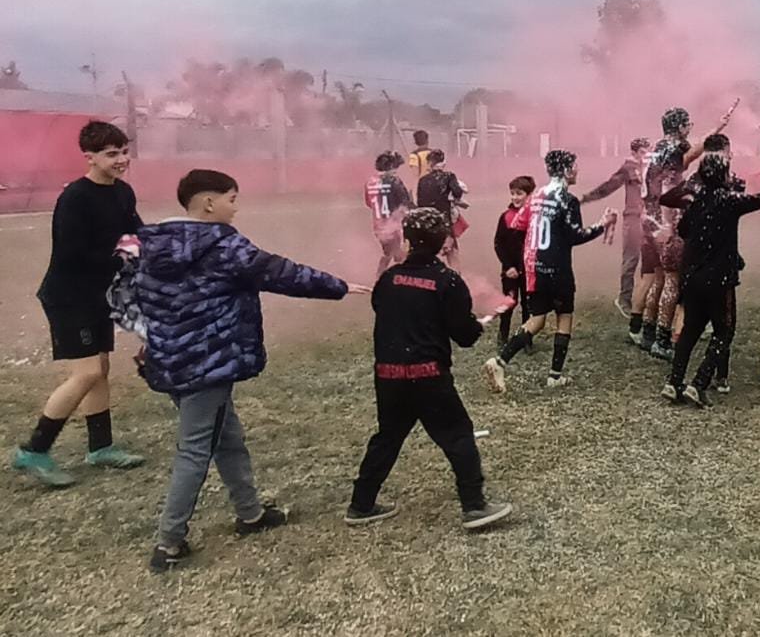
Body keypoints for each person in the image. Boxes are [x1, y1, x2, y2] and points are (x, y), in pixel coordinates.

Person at [134, 169, 361, 573]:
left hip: (170, 358)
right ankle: (169, 541)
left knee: (228, 437)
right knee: (195, 447)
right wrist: (338, 286)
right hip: (208, 364)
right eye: (232, 199)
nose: (236, 208)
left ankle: (250, 513)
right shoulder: (221, 244)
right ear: (208, 203)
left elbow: (145, 301)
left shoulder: (155, 243)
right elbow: (279, 272)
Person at [347, 207, 512, 532]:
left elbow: (384, 308)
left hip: (389, 374)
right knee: (458, 435)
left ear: (406, 240)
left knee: (388, 437)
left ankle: (360, 503)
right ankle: (474, 506)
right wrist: (477, 325)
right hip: (428, 376)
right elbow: (463, 337)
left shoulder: (389, 278)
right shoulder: (448, 280)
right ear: (443, 244)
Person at [13, 121, 146, 488]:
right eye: (111, 154)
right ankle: (33, 449)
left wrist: (153, 248)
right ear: (89, 157)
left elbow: (136, 231)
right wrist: (122, 257)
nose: (121, 160)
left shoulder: (122, 193)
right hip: (69, 296)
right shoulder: (75, 198)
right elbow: (73, 254)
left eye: (123, 152)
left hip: (97, 295)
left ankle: (101, 447)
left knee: (101, 368)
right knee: (86, 373)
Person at [483, 151, 617, 391]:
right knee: (564, 317)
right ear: (565, 170)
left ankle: (500, 361)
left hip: (534, 266)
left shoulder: (535, 197)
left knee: (537, 319)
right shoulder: (567, 199)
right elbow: (576, 236)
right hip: (557, 266)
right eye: (574, 166)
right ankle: (555, 376)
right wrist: (602, 224)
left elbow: (516, 223)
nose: (577, 170)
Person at [661, 154, 760, 407]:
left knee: (690, 328)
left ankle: (674, 381)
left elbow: (683, 230)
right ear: (724, 175)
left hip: (691, 275)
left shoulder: (696, 200)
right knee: (724, 331)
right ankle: (699, 383)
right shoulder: (729, 201)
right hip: (718, 278)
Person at [639, 105, 735, 359]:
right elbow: (690, 156)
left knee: (659, 278)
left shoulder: (656, 149)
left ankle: (646, 331)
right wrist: (671, 226)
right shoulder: (673, 151)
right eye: (687, 124)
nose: (690, 127)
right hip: (663, 223)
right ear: (679, 126)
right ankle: (662, 339)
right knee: (672, 279)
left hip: (647, 219)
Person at [581, 137, 651, 321]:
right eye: (643, 152)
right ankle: (624, 298)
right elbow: (609, 186)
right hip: (632, 217)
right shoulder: (629, 168)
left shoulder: (652, 167)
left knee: (651, 260)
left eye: (648, 151)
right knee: (631, 259)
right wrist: (587, 197)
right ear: (634, 152)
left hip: (650, 218)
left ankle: (645, 299)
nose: (646, 155)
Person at [493, 176, 535, 346]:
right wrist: (508, 266)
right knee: (509, 303)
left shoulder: (534, 217)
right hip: (509, 272)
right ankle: (503, 336)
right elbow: (499, 244)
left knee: (528, 306)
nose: (515, 197)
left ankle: (526, 339)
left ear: (529, 195)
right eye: (512, 194)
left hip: (528, 270)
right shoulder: (506, 217)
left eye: (520, 193)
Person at [364, 151, 414, 277]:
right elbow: (404, 203)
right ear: (392, 166)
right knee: (400, 254)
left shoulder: (370, 181)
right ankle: (402, 279)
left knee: (389, 253)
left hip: (378, 224)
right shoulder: (394, 181)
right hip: (394, 224)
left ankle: (380, 277)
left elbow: (369, 202)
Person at [415, 149, 467, 264]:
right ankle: (455, 278)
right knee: (452, 252)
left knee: (429, 253)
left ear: (429, 163)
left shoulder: (422, 180)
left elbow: (420, 202)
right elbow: (457, 193)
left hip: (427, 222)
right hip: (443, 221)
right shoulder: (448, 176)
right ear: (443, 163)